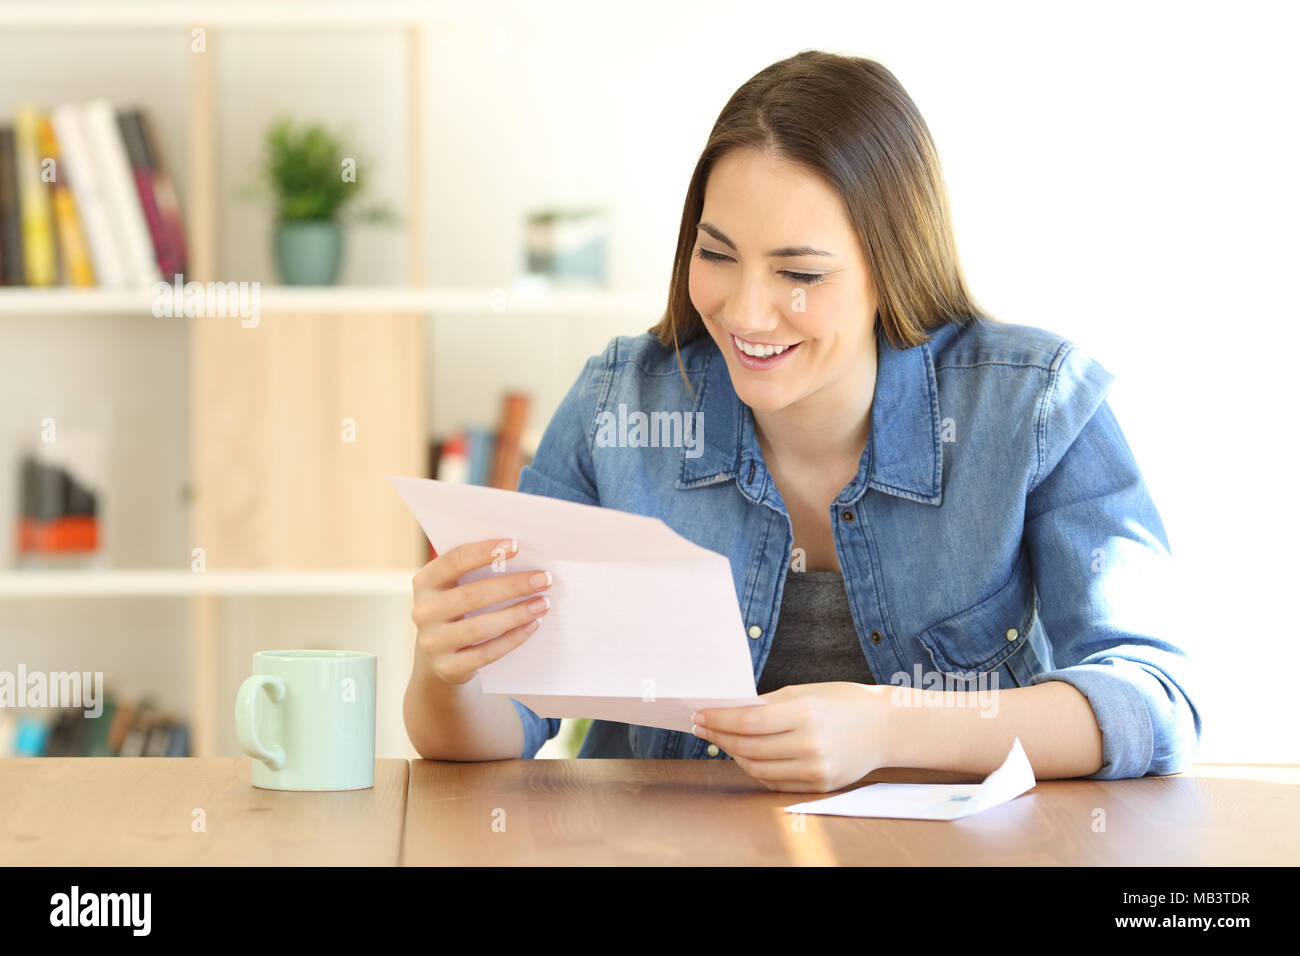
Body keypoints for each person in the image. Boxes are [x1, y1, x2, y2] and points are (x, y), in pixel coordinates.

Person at [403, 50, 1200, 792]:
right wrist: (450, 667)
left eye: (799, 272)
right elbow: (497, 727)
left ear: (894, 267)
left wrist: (892, 726)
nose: (746, 311)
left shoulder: (1034, 406)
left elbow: (1153, 699)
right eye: (716, 255)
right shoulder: (621, 407)